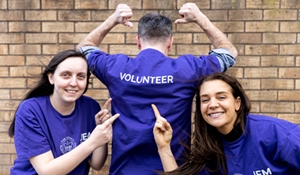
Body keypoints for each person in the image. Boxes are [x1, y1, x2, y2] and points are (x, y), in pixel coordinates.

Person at [77, 2, 237, 174]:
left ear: (138, 41)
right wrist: (200, 18)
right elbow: (229, 53)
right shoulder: (187, 70)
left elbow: (84, 49)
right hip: (173, 170)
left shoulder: (116, 67)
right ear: (170, 42)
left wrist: (112, 20)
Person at [152, 72, 300, 175]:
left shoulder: (276, 134)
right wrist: (164, 147)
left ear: (237, 103)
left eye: (221, 97)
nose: (213, 104)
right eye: (205, 100)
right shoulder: (211, 149)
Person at [8, 49, 119, 175]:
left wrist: (101, 129)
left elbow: (96, 164)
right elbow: (46, 171)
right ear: (51, 78)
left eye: (81, 76)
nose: (73, 83)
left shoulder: (91, 107)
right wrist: (92, 141)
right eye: (65, 75)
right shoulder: (30, 110)